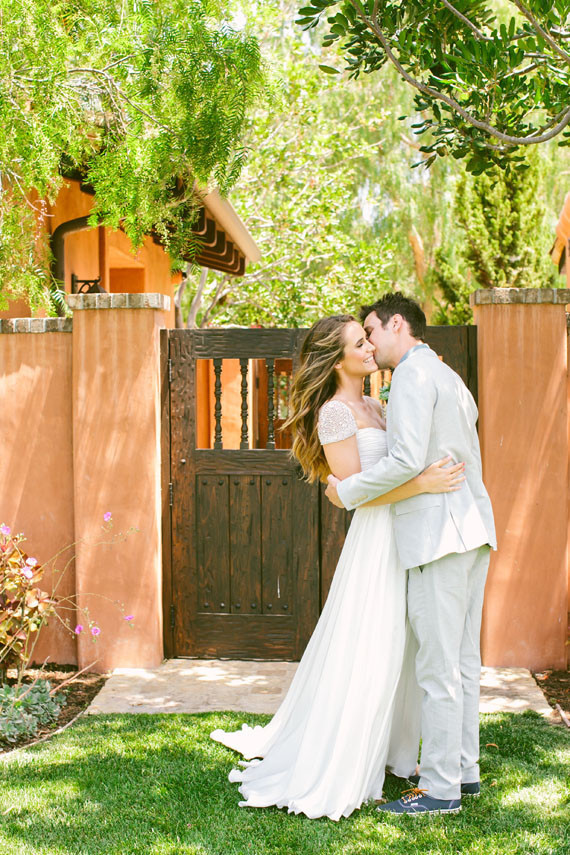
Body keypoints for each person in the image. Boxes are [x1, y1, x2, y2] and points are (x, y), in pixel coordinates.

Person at [210, 313, 465, 821]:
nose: (370, 348)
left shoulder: (378, 403)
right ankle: (348, 752)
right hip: (377, 540)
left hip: (409, 530)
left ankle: (393, 747)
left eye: (368, 340)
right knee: (373, 644)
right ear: (336, 360)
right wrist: (422, 485)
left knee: (405, 647)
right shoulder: (334, 414)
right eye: (359, 344)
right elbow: (354, 493)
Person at [326, 294, 497, 816]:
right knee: (462, 663)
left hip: (438, 536)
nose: (370, 343)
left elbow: (404, 460)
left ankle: (441, 789)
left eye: (372, 331)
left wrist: (347, 491)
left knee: (439, 668)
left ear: (396, 323)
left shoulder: (412, 377)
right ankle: (464, 771)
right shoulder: (447, 375)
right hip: (473, 530)